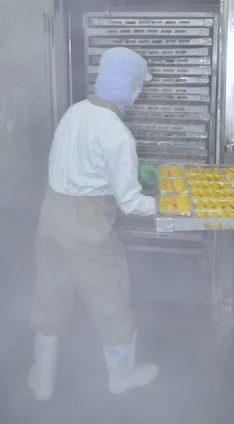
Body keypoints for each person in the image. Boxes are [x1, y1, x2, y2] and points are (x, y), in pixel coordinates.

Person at [28, 47, 159, 401]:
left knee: (50, 298)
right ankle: (121, 377)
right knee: (111, 300)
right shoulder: (117, 133)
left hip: (50, 219)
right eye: (138, 87)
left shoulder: (74, 112)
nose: (138, 94)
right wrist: (167, 206)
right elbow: (130, 202)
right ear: (128, 87)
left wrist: (124, 173)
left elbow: (78, 165)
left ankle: (42, 382)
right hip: (88, 229)